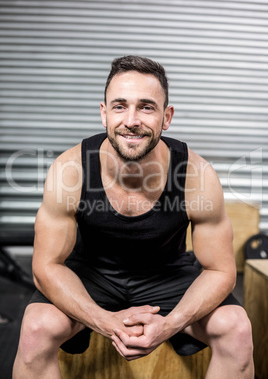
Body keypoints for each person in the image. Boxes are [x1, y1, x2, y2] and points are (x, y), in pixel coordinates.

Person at [13, 55, 254, 378]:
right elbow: (47, 267)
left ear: (166, 117)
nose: (131, 120)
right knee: (36, 328)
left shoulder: (197, 174)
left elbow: (220, 270)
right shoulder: (70, 170)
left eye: (146, 107)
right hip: (91, 275)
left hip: (167, 276)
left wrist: (170, 325)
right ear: (104, 113)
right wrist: (104, 320)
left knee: (236, 329)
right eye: (119, 106)